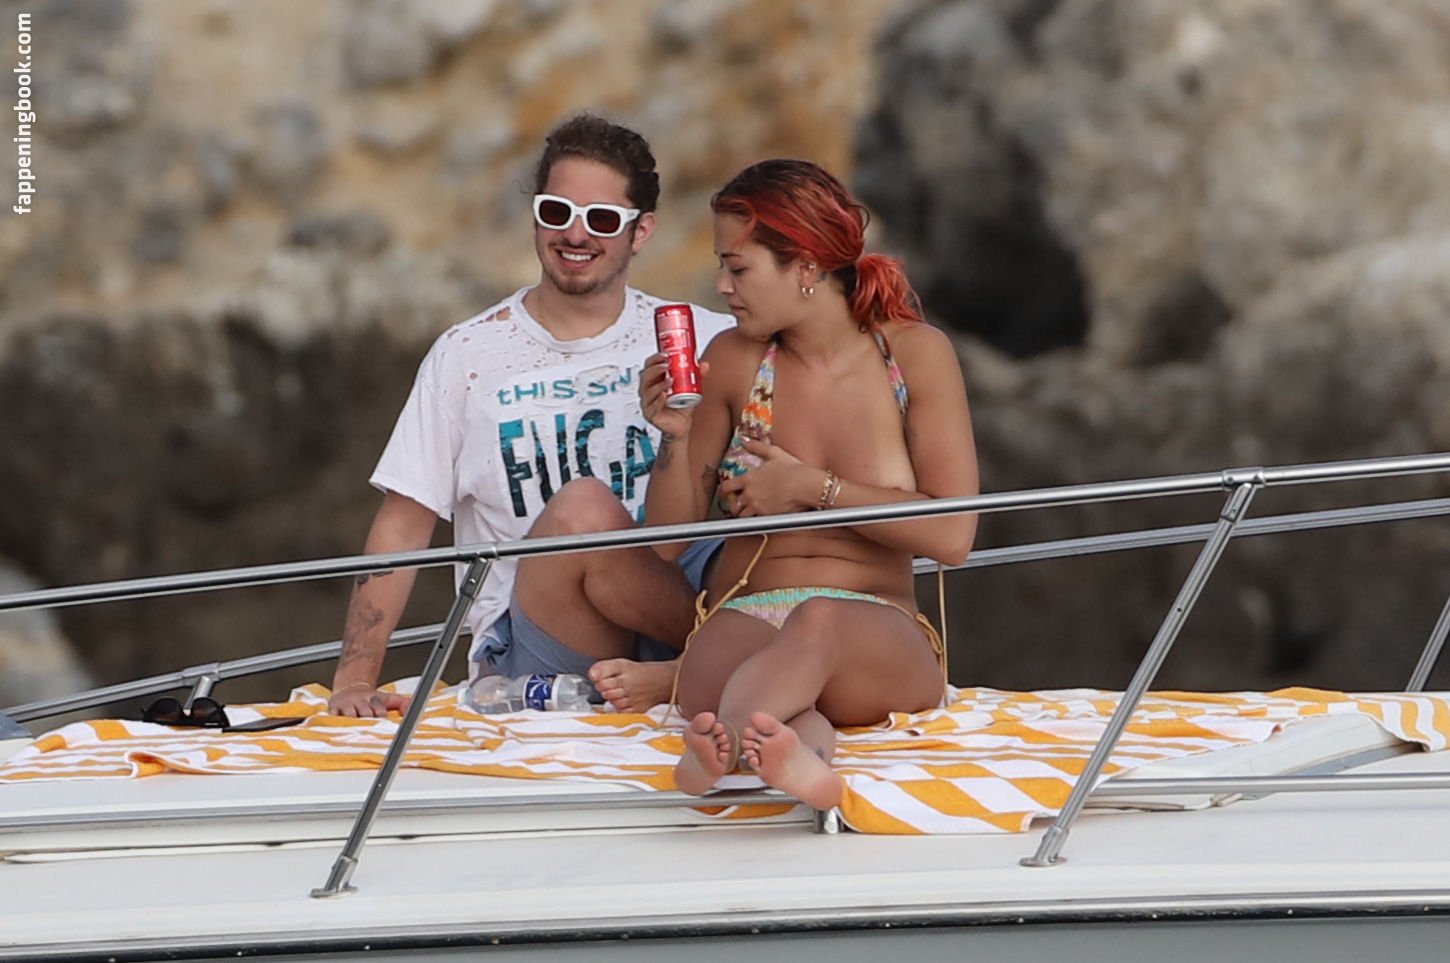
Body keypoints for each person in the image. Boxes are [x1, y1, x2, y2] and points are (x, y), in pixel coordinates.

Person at [328, 114, 734, 718]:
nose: (575, 234)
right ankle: (726, 660)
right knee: (582, 510)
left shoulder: (700, 337)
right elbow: (403, 527)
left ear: (641, 231)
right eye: (556, 212)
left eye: (602, 219)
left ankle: (704, 663)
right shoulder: (467, 354)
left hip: (671, 611)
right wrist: (354, 679)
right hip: (540, 645)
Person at [640, 159, 979, 809]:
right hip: (747, 617)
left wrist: (810, 489)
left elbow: (954, 535)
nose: (722, 286)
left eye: (738, 268)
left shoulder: (912, 355)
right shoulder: (734, 360)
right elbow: (666, 541)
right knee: (762, 674)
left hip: (872, 628)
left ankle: (715, 753)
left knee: (816, 623)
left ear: (804, 267)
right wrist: (674, 436)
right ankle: (801, 756)